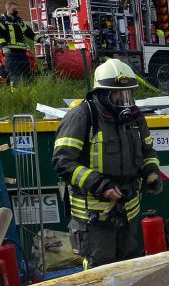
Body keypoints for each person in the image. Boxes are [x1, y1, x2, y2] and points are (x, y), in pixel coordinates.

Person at [52, 59, 163, 269]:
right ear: (102, 93)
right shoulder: (82, 117)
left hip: (128, 211)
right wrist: (101, 185)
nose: (125, 99)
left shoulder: (135, 118)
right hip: (94, 217)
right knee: (100, 271)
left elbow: (148, 151)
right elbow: (62, 162)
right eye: (118, 93)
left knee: (129, 267)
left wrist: (151, 172)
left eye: (128, 93)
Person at [0, 1, 43, 84]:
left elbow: (30, 34)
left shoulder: (20, 22)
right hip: (10, 52)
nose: (16, 11)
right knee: (14, 74)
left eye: (17, 9)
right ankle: (15, 93)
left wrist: (41, 40)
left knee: (26, 75)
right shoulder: (2, 21)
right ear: (8, 9)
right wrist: (4, 47)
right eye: (14, 9)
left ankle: (27, 91)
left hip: (23, 53)